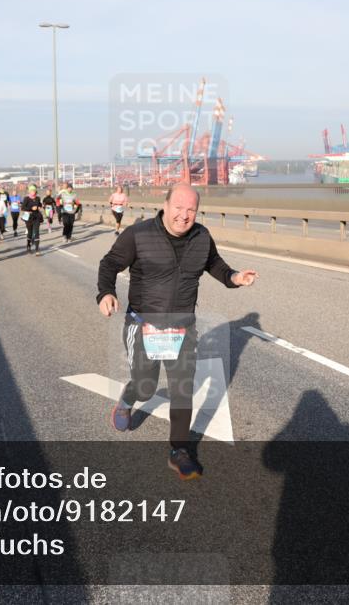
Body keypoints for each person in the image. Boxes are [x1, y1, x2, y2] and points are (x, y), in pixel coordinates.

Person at [96, 183, 259, 480]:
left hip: (182, 327)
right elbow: (109, 264)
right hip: (143, 324)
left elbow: (215, 265)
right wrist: (105, 293)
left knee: (183, 389)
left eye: (191, 210)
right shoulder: (139, 234)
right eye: (179, 208)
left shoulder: (201, 237)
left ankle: (179, 450)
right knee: (145, 387)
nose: (184, 216)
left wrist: (234, 276)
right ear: (166, 205)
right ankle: (128, 399)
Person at [21, 184, 44, 256]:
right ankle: (28, 247)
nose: (33, 192)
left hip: (36, 217)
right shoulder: (26, 198)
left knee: (37, 233)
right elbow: (22, 208)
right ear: (29, 191)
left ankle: (37, 250)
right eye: (31, 190)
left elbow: (40, 204)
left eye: (34, 190)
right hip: (29, 218)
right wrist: (31, 209)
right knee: (30, 233)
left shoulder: (37, 198)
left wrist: (40, 207)